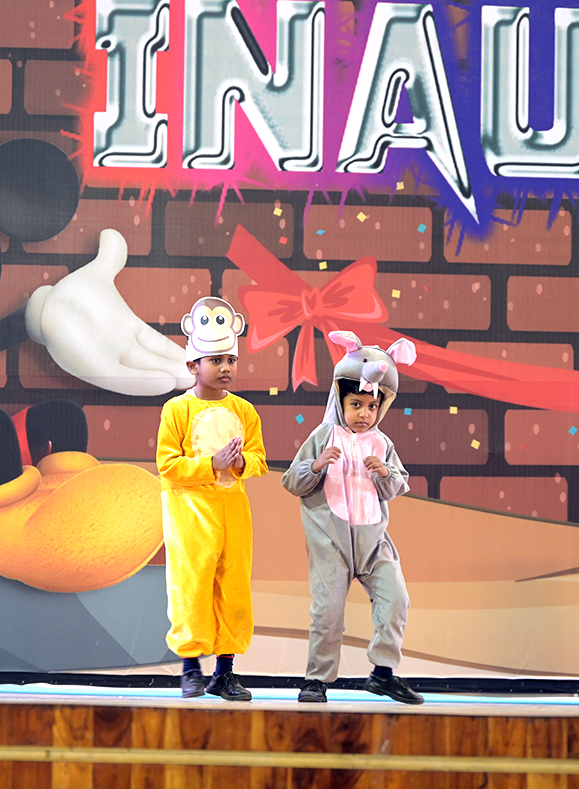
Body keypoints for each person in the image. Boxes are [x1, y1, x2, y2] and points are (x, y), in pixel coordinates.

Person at [282, 330, 423, 705]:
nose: (364, 414)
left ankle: (383, 674)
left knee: (396, 599)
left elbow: (397, 485)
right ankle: (316, 680)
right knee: (327, 612)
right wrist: (316, 465)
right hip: (332, 542)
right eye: (356, 404)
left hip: (374, 542)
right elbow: (291, 481)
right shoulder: (323, 435)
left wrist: (385, 473)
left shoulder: (382, 443)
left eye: (372, 406)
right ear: (340, 400)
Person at [156, 296, 267, 701]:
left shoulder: (245, 410)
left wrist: (239, 464)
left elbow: (259, 460)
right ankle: (190, 668)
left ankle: (225, 671)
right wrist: (211, 464)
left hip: (232, 513)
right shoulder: (176, 410)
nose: (226, 368)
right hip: (190, 516)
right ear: (193, 365)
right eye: (216, 360)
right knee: (192, 585)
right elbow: (167, 464)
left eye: (231, 360)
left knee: (233, 586)